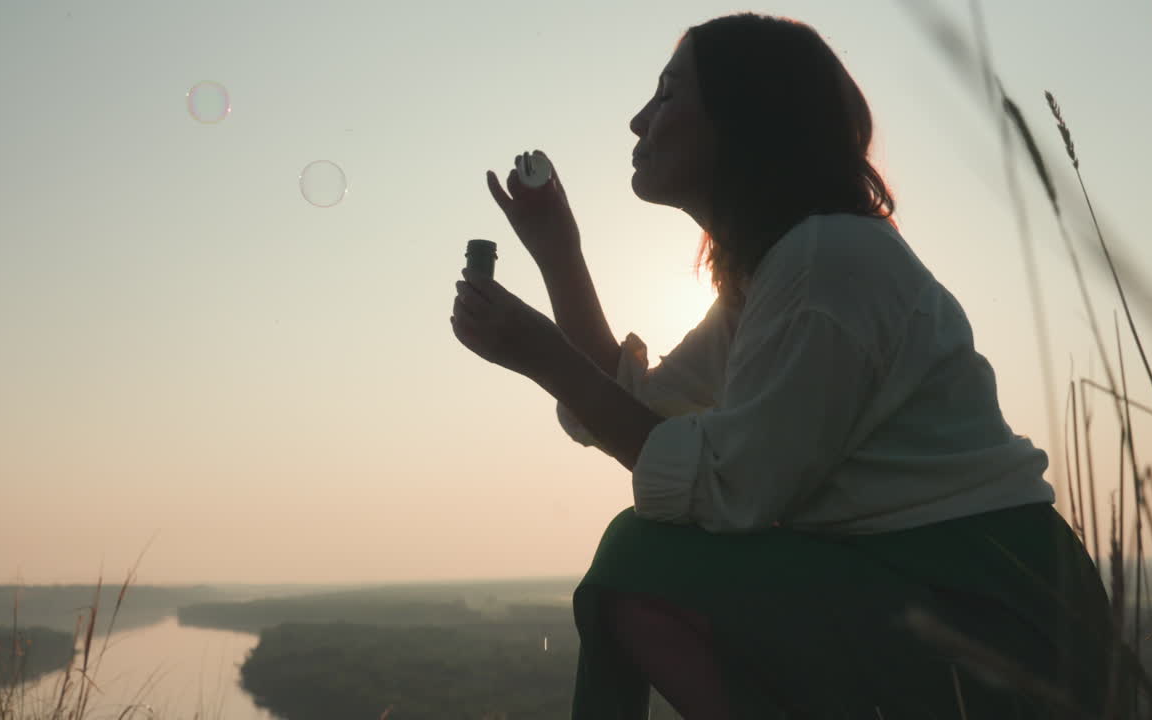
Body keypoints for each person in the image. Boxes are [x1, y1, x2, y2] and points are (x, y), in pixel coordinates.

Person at [449, 12, 1114, 719]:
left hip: (1000, 614)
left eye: (668, 95)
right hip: (927, 585)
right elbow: (642, 404)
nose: (638, 121)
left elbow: (733, 487)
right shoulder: (777, 272)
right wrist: (558, 249)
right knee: (638, 557)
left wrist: (544, 355)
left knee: (636, 561)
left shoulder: (827, 263)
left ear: (744, 119)